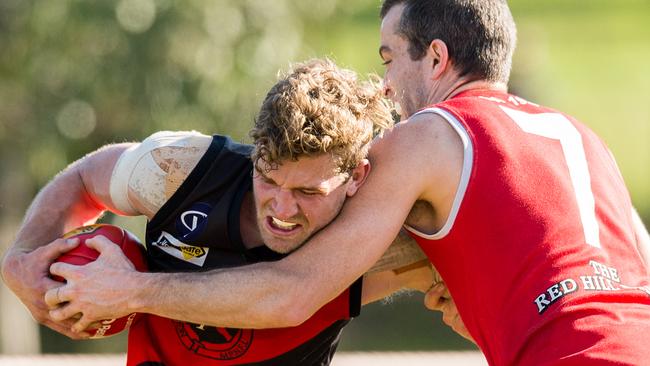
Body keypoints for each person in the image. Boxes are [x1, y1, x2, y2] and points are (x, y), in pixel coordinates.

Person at [15, 0, 650, 364]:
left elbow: (293, 293)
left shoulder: (428, 135)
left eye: (388, 58)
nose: (384, 85)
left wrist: (129, 291)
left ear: (434, 58)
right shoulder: (582, 139)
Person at [1, 59, 437, 365]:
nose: (283, 208)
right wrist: (22, 260)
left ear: (356, 178)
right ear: (255, 154)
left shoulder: (373, 241)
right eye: (269, 178)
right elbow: (84, 179)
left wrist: (129, 289)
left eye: (309, 190)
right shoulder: (180, 171)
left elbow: (475, 270)